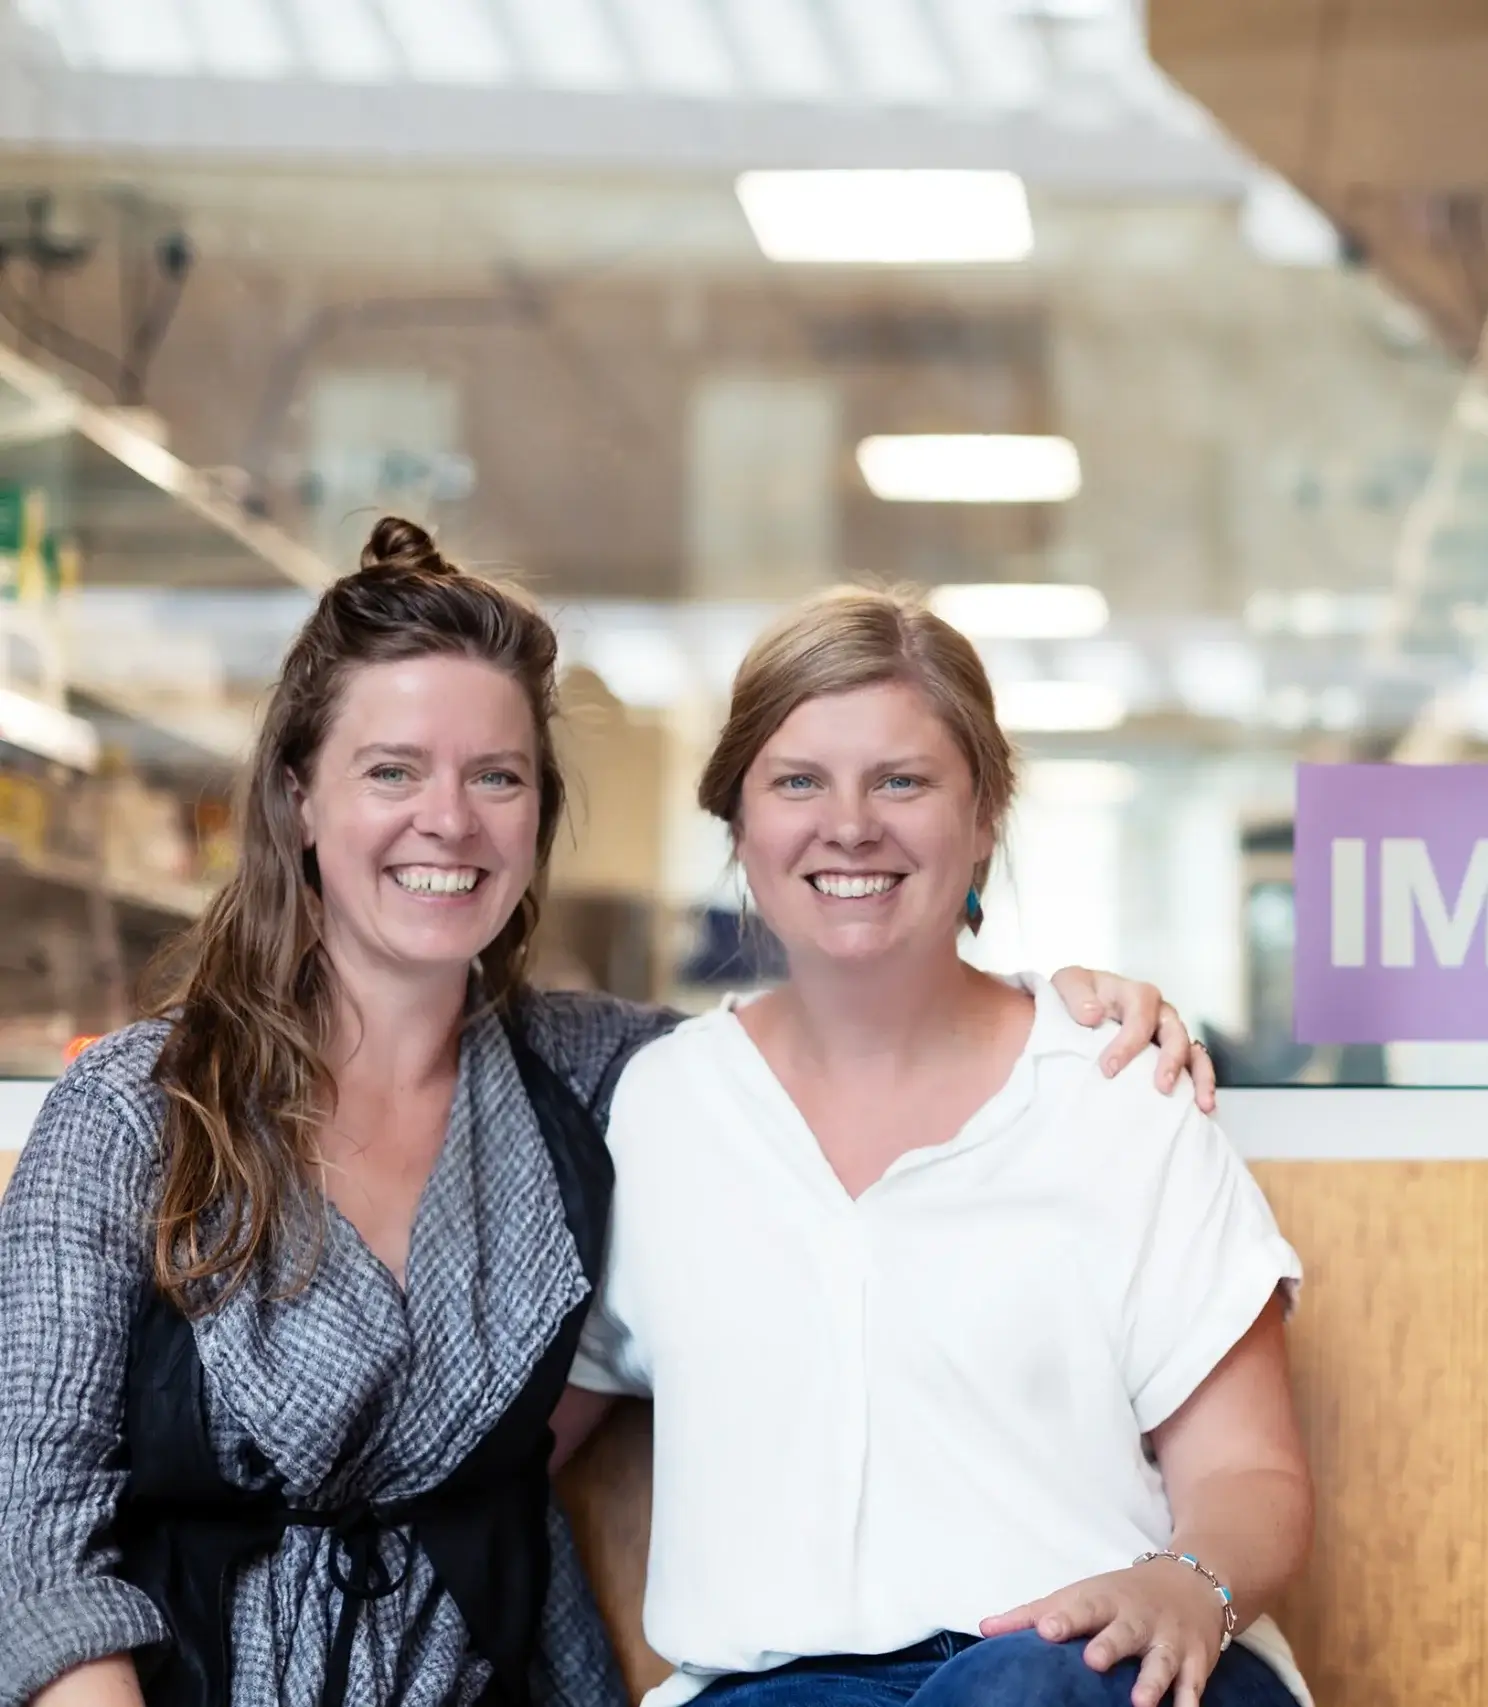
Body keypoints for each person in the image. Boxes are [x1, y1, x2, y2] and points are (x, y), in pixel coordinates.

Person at [0, 519, 1215, 1707]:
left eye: (498, 777)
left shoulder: (600, 1080)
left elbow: (846, 1029)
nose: (450, 819)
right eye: (392, 771)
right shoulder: (135, 1115)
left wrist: (1049, 1004)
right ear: (297, 799)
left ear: (536, 816)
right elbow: (32, 1540)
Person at [556, 588, 1313, 1707]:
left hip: (1095, 1670)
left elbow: (1249, 1473)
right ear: (740, 826)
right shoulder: (662, 1110)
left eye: (902, 781)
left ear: (983, 819)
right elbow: (508, 1430)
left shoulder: (1112, 1087)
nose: (850, 823)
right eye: (798, 780)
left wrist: (1183, 1584)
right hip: (782, 1688)